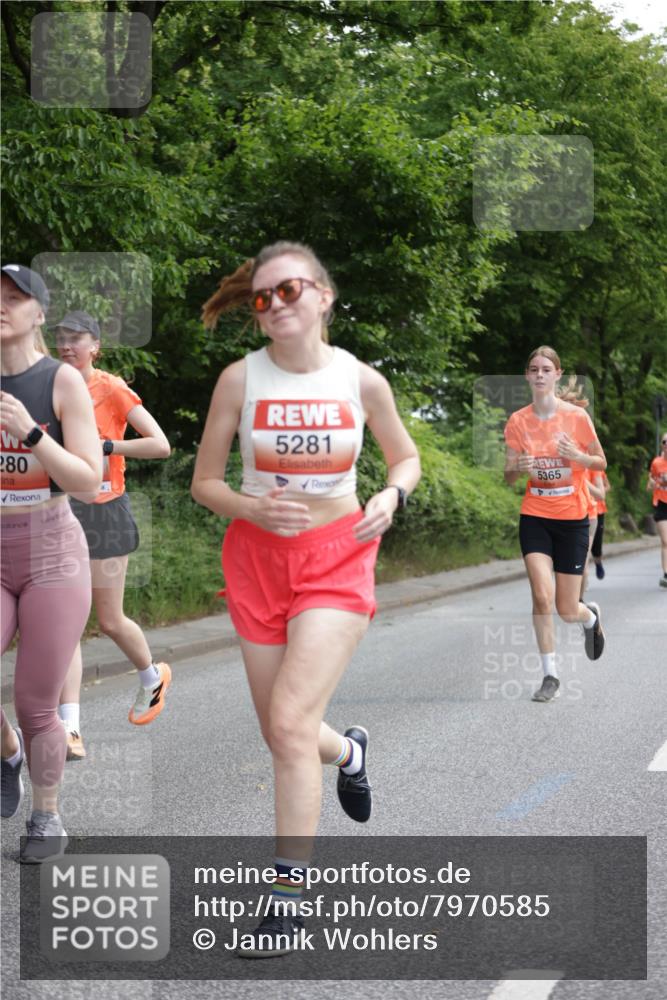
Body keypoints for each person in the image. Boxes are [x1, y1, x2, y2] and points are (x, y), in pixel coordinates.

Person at [191, 241, 421, 956]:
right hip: (257, 562)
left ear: (322, 294)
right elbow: (204, 483)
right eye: (261, 299)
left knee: (289, 726)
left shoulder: (362, 380)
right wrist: (250, 509)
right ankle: (348, 754)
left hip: (337, 559)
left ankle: (286, 903)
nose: (274, 305)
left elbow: (405, 456)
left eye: (288, 290)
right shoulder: (239, 380)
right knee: (285, 732)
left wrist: (391, 492)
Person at [0, 265, 102, 862]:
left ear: (39, 314)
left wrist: (32, 434)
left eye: (15, 298)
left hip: (51, 549)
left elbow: (88, 481)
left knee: (37, 701)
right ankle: (8, 751)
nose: (2, 306)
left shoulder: (61, 381)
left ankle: (46, 819)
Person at [54, 311, 172, 760]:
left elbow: (160, 445)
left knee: (109, 620)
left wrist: (106, 447)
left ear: (95, 346)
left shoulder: (111, 388)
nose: (67, 345)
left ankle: (152, 677)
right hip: (62, 512)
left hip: (106, 514)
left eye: (76, 338)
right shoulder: (50, 387)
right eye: (61, 338)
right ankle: (71, 730)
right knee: (67, 623)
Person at [504, 347, 607, 705]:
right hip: (535, 515)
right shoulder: (518, 421)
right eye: (533, 369)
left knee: (566, 609)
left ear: (557, 374)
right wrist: (521, 466)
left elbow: (601, 460)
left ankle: (588, 617)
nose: (540, 374)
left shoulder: (577, 417)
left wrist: (577, 457)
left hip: (573, 518)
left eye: (547, 369)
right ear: (527, 376)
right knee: (540, 594)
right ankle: (550, 674)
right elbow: (508, 477)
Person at [647, 432, 667, 588]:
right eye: (664, 442)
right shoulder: (656, 462)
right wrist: (652, 484)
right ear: (661, 445)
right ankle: (666, 574)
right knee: (665, 541)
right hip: (661, 503)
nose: (666, 444)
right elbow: (651, 480)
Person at [591, 471, 611, 579]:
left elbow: (607, 486)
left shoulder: (598, 470)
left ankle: (598, 563)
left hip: (598, 510)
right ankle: (582, 577)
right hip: (583, 510)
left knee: (596, 543)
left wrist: (597, 492)